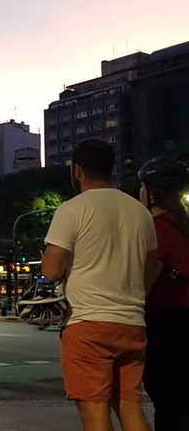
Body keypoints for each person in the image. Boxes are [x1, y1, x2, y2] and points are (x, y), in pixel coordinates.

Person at [42, 139, 156, 431]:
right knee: (130, 407)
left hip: (87, 324)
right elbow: (152, 266)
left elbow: (51, 270)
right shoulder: (140, 212)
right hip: (132, 322)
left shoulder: (71, 210)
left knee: (94, 413)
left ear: (77, 170)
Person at [138, 157, 189, 430]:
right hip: (183, 321)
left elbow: (143, 287)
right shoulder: (184, 226)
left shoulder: (156, 230)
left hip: (165, 328)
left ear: (151, 191)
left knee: (167, 406)